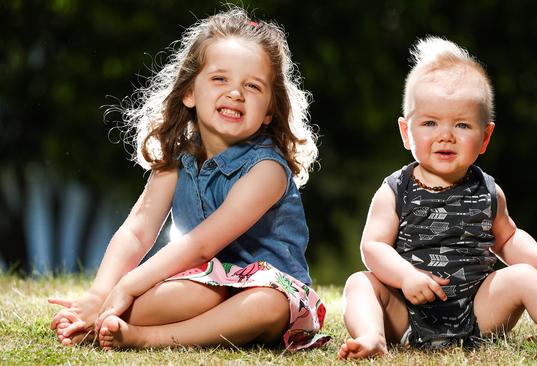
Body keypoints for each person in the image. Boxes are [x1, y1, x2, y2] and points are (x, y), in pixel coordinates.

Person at [48, 7, 330, 352]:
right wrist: (100, 292)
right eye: (219, 79)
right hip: (205, 288)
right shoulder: (176, 161)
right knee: (194, 294)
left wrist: (126, 288)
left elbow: (200, 245)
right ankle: (100, 316)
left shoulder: (267, 171)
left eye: (252, 86)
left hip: (266, 295)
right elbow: (137, 231)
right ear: (189, 92)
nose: (235, 93)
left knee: (266, 304)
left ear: (270, 110)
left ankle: (142, 336)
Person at [337, 36, 537, 359]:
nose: (445, 135)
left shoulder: (488, 192)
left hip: (476, 312)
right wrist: (406, 276)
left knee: (523, 277)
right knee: (359, 283)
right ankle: (372, 337)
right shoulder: (396, 190)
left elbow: (508, 240)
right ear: (406, 132)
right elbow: (373, 247)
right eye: (430, 123)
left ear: (485, 137)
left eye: (462, 124)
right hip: (406, 313)